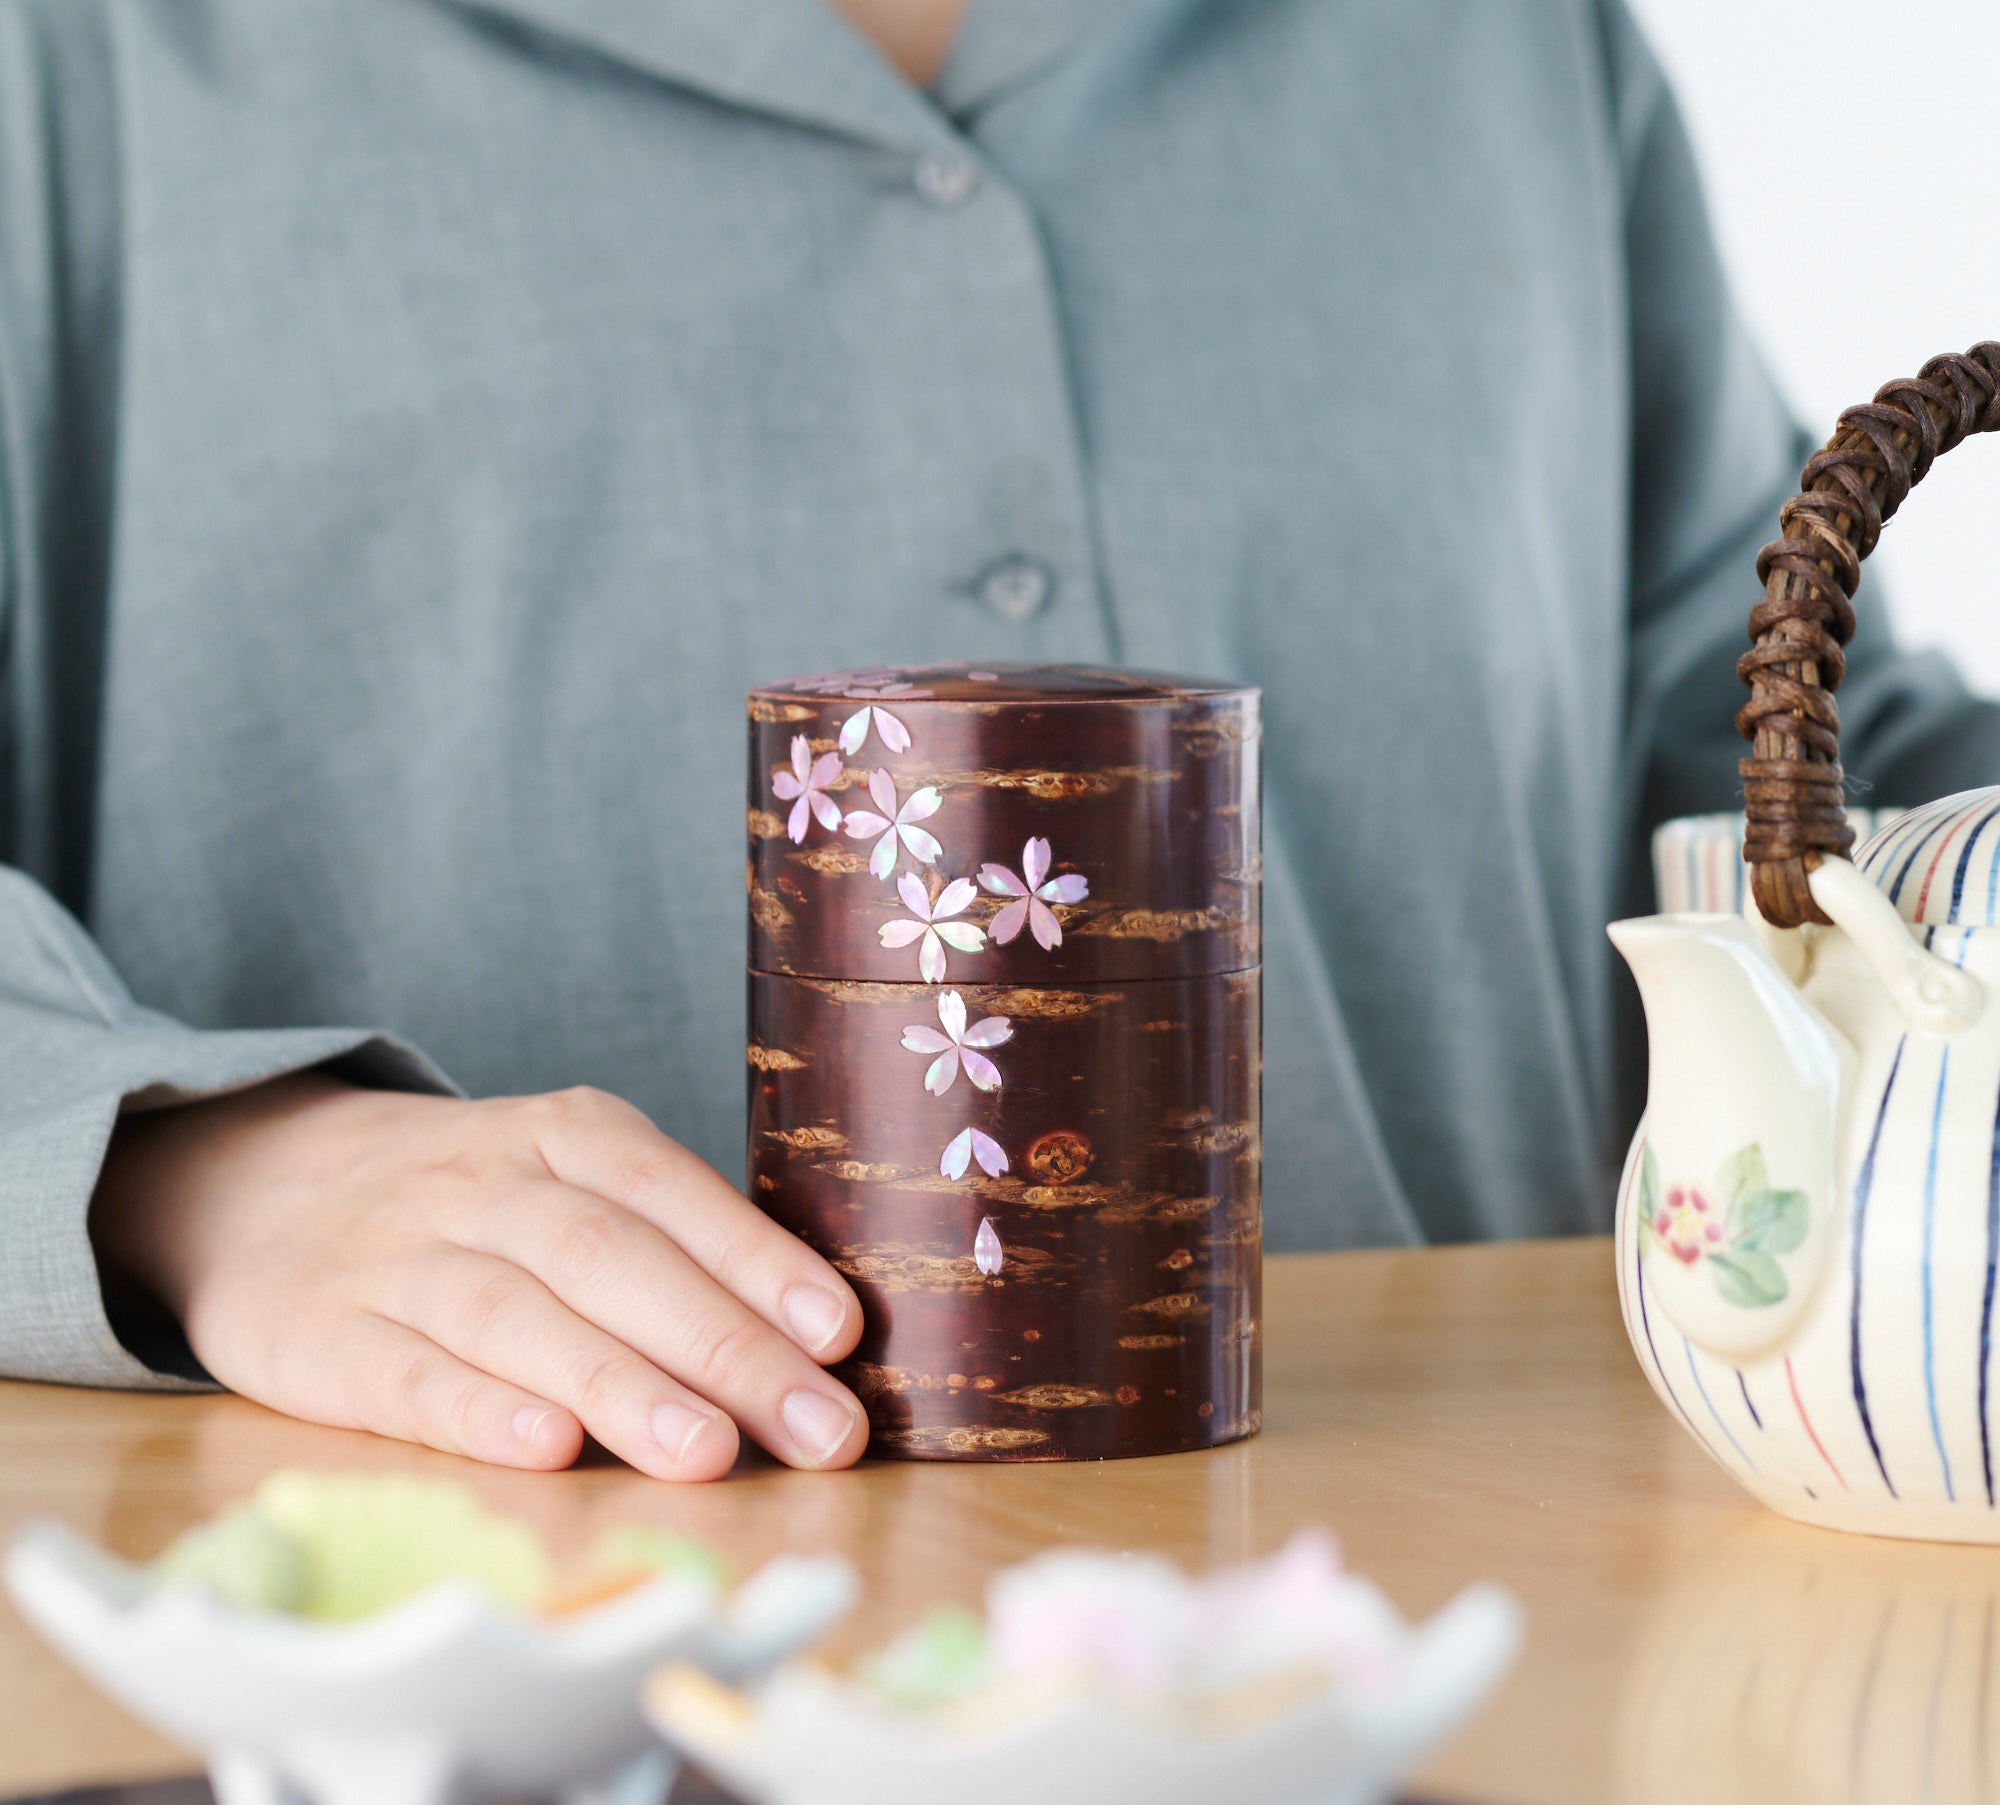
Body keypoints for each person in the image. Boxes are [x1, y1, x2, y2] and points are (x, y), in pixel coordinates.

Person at [2, 0, 1992, 1479]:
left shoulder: (1508, 41)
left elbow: (1776, 774)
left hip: (1507, 1661)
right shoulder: (73, 66)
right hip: (468, 1712)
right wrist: (188, 1169)